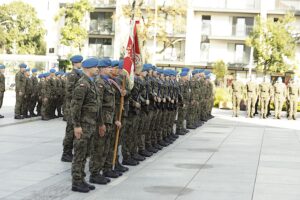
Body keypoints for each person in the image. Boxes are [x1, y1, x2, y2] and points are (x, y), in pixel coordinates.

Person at [71, 57, 101, 193]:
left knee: (85, 154)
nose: (97, 69)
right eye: (95, 67)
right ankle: (76, 182)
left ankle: (82, 179)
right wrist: (76, 125)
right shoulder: (82, 84)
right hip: (83, 125)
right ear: (88, 68)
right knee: (79, 154)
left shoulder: (91, 83)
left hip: (90, 125)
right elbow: (75, 107)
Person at [61, 55, 83, 162]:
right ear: (75, 63)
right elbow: (69, 91)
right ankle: (66, 153)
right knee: (70, 131)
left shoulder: (79, 74)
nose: (81, 64)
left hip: (75, 106)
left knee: (73, 131)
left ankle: (70, 152)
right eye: (80, 62)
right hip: (71, 107)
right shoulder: (72, 75)